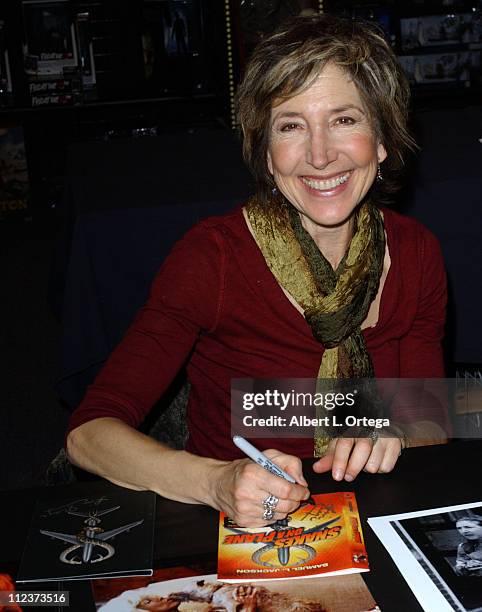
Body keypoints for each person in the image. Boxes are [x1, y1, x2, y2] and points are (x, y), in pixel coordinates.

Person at [66, 14, 448, 528]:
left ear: (382, 140)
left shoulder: (417, 251)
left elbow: (429, 415)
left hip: (378, 509)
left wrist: (394, 431)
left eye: (344, 120)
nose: (320, 155)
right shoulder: (214, 257)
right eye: (291, 125)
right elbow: (88, 435)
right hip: (237, 521)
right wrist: (217, 481)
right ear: (267, 153)